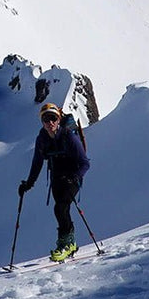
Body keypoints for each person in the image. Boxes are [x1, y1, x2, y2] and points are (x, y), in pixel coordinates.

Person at [18, 103, 91, 261]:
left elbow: (85, 163)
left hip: (72, 177)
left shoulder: (69, 137)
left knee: (61, 208)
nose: (50, 122)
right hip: (56, 179)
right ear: (42, 122)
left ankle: (65, 245)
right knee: (61, 210)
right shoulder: (42, 139)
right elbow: (37, 163)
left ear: (58, 119)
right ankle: (70, 243)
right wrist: (29, 184)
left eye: (53, 118)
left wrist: (75, 177)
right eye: (46, 119)